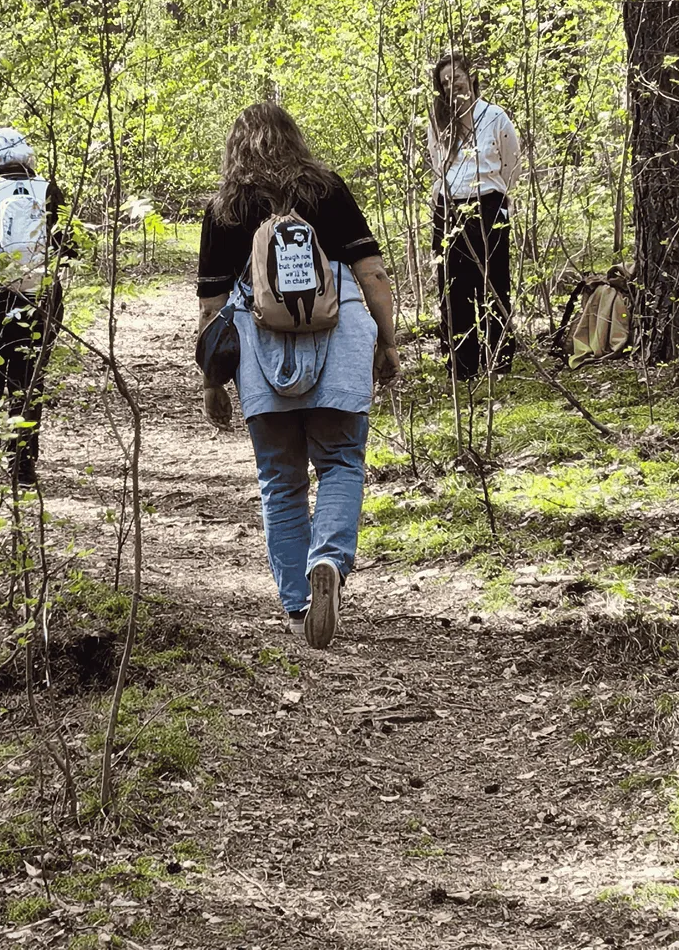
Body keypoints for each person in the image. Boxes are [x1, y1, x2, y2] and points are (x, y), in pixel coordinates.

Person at [197, 103, 400, 650]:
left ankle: (297, 604)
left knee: (279, 479)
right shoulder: (327, 189)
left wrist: (213, 380)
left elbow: (213, 306)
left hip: (260, 354)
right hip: (340, 338)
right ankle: (329, 559)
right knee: (339, 461)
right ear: (295, 138)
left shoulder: (225, 207)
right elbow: (372, 272)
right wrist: (387, 340)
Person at [0, 127, 74, 490]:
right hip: (40, 301)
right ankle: (23, 467)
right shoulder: (49, 190)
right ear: (27, 155)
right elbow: (70, 248)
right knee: (28, 381)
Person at [428, 51, 521, 382]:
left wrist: (493, 197)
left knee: (494, 283)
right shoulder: (438, 122)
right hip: (449, 207)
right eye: (445, 82)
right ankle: (462, 366)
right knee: (453, 289)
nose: (453, 85)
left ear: (472, 77)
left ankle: (499, 360)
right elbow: (438, 168)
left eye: (458, 77)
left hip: (489, 205)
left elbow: (511, 165)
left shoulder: (495, 118)